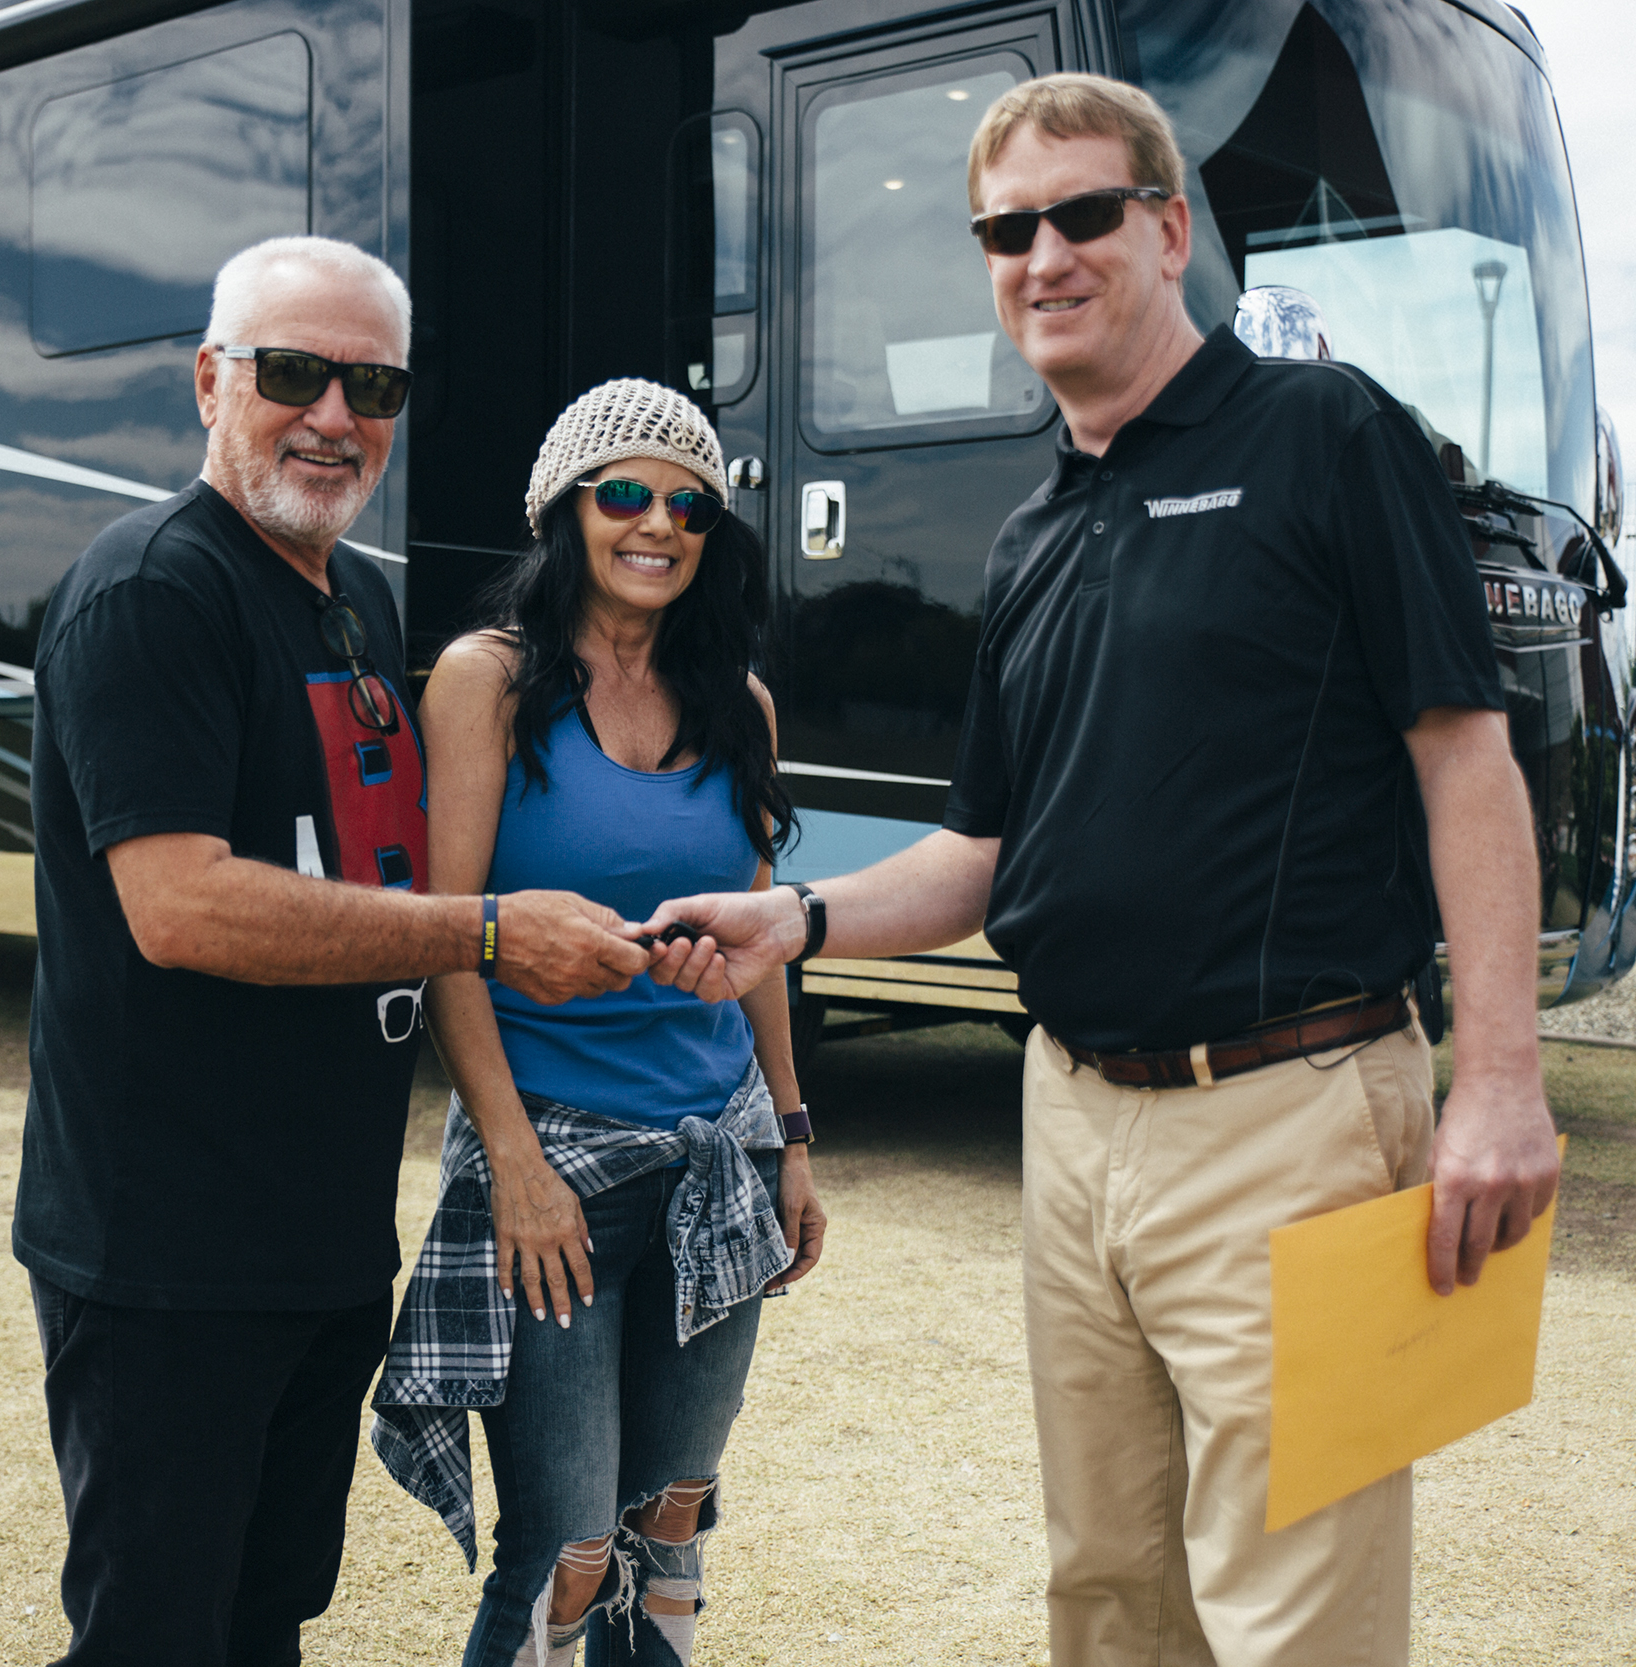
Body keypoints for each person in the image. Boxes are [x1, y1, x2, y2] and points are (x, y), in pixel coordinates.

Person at [641, 75, 1560, 1667]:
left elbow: (1462, 756)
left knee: (1295, 1622)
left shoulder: (1327, 437)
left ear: (1170, 227)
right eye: (1007, 229)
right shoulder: (1035, 536)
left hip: (1295, 1114)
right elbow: (987, 857)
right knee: (1109, 1603)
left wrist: (1501, 1083)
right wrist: (792, 918)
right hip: (1072, 1129)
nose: (1042, 256)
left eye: (1082, 215)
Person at [15, 236, 653, 1667]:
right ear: (208, 382)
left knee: (268, 1615)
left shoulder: (354, 596)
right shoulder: (151, 595)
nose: (334, 416)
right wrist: (486, 932)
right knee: (154, 1631)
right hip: (164, 1247)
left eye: (373, 386)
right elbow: (179, 905)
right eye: (293, 373)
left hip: (317, 1234)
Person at [370, 379, 829, 1667]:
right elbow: (453, 940)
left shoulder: (740, 704)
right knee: (563, 1548)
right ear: (563, 511)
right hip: (556, 1165)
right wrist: (509, 1163)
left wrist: (791, 1133)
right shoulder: (488, 683)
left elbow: (763, 946)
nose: (658, 524)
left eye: (689, 504)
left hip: (717, 1159)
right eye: (624, 493)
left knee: (669, 1527)